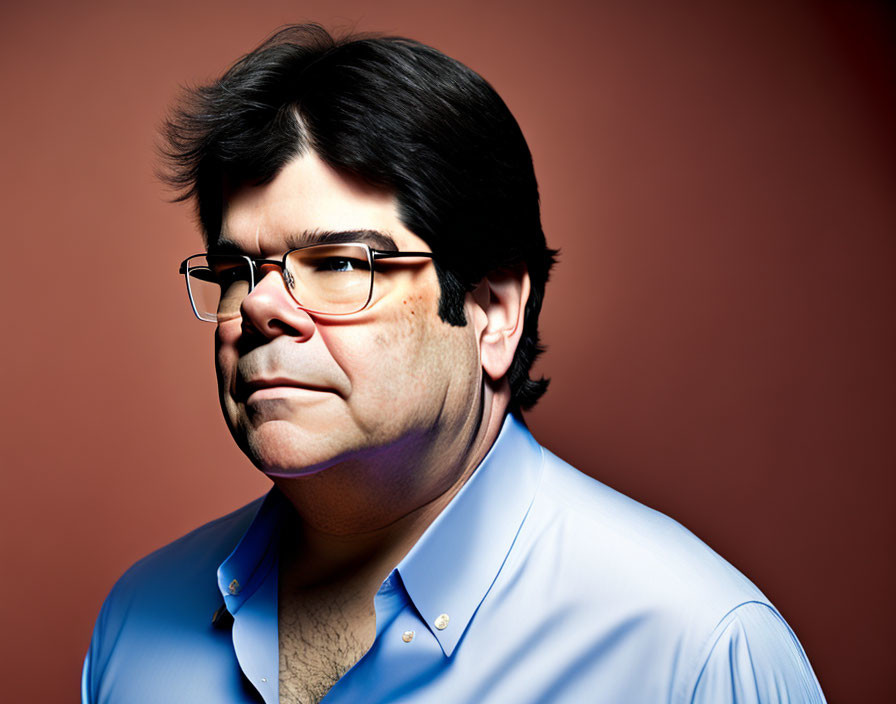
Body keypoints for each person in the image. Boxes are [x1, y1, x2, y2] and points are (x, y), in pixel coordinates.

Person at [82, 24, 826, 704]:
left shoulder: (693, 650)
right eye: (239, 269)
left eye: (340, 262)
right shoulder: (135, 626)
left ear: (492, 311)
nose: (260, 306)